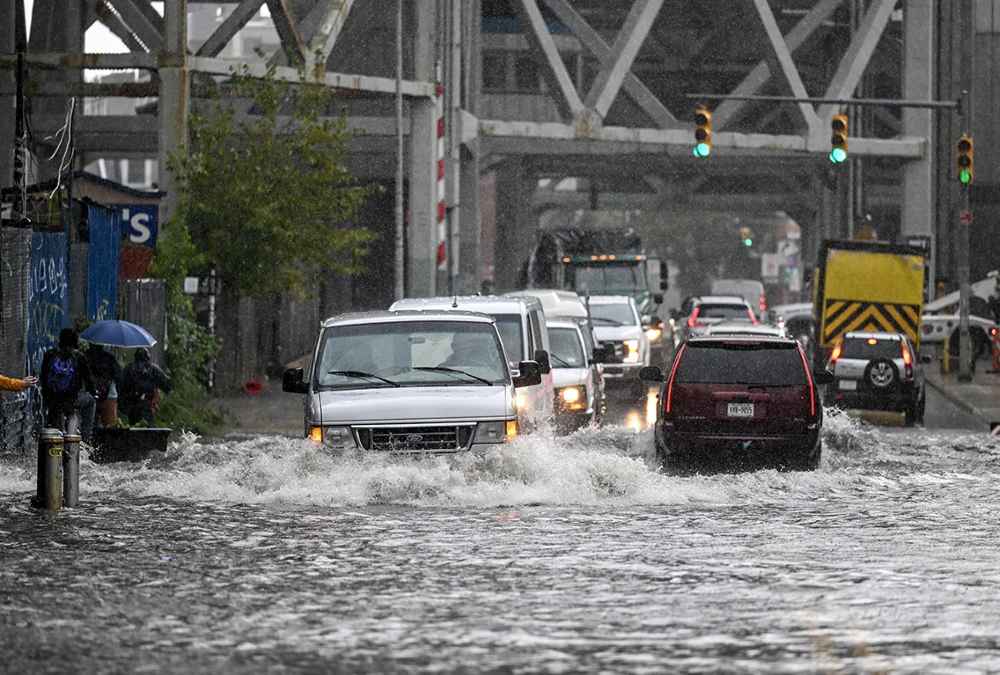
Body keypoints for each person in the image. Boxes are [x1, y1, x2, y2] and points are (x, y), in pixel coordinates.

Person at [40, 328, 96, 440]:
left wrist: (48, 397)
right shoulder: (79, 357)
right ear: (75, 341)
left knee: (53, 416)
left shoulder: (49, 355)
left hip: (53, 401)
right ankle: (86, 438)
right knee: (91, 401)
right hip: (72, 400)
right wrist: (93, 392)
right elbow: (89, 380)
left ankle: (52, 436)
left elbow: (43, 378)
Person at [120, 348, 172, 426]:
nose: (141, 365)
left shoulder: (154, 370)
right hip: (135, 406)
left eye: (143, 362)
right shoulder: (130, 369)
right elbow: (121, 388)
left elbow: (167, 386)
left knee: (143, 426)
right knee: (140, 428)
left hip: (143, 406)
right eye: (139, 362)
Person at [85, 343, 123, 427]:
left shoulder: (85, 356)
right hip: (108, 394)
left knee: (89, 423)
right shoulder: (110, 358)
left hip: (90, 392)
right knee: (110, 425)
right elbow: (118, 376)